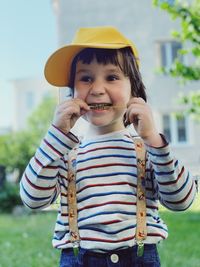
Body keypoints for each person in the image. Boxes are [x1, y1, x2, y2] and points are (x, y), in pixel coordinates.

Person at [20, 26, 197, 267]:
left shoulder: (148, 151)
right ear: (72, 93)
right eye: (86, 78)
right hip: (78, 259)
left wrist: (154, 140)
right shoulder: (64, 154)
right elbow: (32, 199)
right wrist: (56, 135)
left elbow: (182, 200)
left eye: (112, 77)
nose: (97, 89)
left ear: (133, 89)